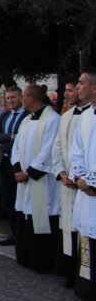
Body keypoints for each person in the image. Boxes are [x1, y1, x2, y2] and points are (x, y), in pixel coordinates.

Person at [11, 84, 60, 274]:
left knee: (42, 218)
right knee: (25, 215)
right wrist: (17, 169)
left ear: (31, 99)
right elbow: (16, 147)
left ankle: (43, 262)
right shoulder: (26, 120)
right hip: (24, 181)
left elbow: (48, 151)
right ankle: (26, 257)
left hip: (42, 181)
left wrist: (29, 173)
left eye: (23, 96)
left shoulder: (52, 120)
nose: (21, 99)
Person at [52, 74, 92, 287]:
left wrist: (82, 178)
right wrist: (61, 172)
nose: (66, 94)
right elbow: (58, 147)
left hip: (87, 185)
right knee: (70, 230)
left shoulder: (91, 116)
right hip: (69, 183)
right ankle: (73, 276)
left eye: (71, 89)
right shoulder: (66, 116)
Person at [69, 70, 96, 301]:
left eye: (81, 83)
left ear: (94, 88)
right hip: (86, 191)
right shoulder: (86, 117)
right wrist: (80, 177)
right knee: (88, 240)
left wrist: (92, 181)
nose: (78, 86)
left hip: (93, 187)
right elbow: (76, 150)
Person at [0, 85, 27, 246]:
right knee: (8, 200)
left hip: (19, 164)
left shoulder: (27, 116)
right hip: (4, 163)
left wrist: (4, 141)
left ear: (21, 97)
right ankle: (14, 234)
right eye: (8, 97)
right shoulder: (4, 116)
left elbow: (21, 141)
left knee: (22, 201)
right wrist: (10, 137)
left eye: (14, 97)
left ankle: (23, 235)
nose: (10, 100)